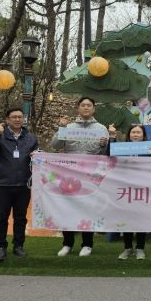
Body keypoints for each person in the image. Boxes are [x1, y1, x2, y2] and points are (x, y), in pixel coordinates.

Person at [50, 96, 109, 257]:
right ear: (78, 108)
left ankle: (87, 244)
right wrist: (61, 129)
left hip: (90, 176)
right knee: (67, 209)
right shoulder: (68, 127)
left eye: (89, 105)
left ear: (94, 109)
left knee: (87, 208)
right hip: (69, 176)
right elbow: (55, 146)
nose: (86, 108)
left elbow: (106, 154)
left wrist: (104, 145)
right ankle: (67, 244)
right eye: (83, 105)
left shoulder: (101, 129)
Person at [0, 107, 39, 262]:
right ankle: (1, 247)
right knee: (1, 217)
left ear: (23, 119)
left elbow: (37, 155)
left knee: (20, 217)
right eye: (14, 117)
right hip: (4, 184)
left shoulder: (30, 138)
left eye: (20, 117)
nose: (17, 119)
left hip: (23, 184)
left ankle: (18, 246)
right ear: (7, 119)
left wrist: (37, 155)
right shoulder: (0, 135)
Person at [109, 123, 151, 261]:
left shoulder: (150, 149)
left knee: (141, 219)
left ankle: (140, 248)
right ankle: (127, 248)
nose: (135, 135)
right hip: (125, 189)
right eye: (133, 132)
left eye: (138, 132)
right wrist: (112, 137)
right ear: (129, 135)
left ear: (143, 135)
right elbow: (109, 155)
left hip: (142, 189)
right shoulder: (122, 148)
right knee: (126, 218)